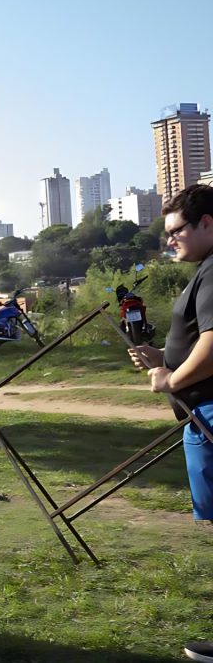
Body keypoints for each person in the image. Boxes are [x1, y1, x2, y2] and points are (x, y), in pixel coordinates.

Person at [126, 184, 213, 663]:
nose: (170, 240)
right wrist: (165, 355)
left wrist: (170, 377)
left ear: (206, 223)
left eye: (176, 230)